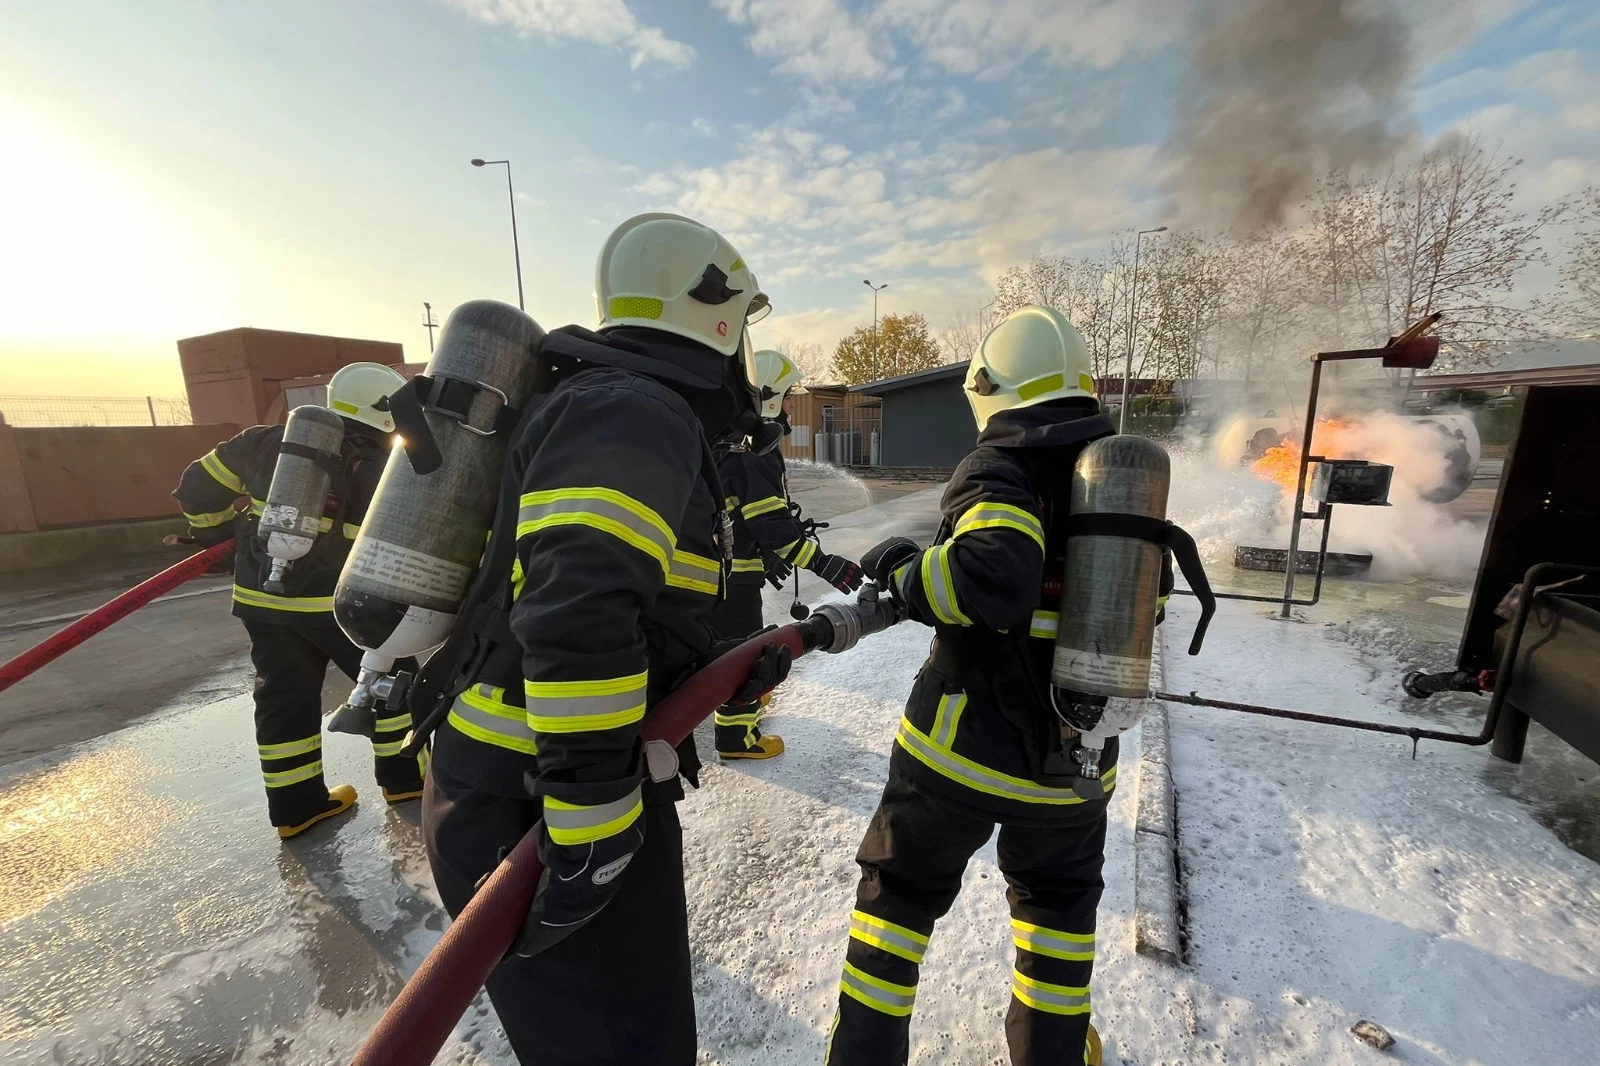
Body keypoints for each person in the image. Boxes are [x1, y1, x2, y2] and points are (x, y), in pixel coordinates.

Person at [422, 213, 789, 1065]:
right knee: (625, 1050)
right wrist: (589, 816)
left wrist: (711, 673)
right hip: (546, 796)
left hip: (548, 777)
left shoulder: (614, 404)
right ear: (718, 314)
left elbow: (630, 607)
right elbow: (578, 606)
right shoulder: (633, 411)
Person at [823, 306, 1173, 1066]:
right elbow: (1151, 604)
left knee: (897, 904)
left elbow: (993, 576)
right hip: (1078, 759)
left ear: (991, 390)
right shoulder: (1119, 481)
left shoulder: (1002, 466)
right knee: (1056, 914)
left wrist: (907, 574)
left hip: (957, 756)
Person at [173, 362, 425, 840]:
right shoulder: (388, 463)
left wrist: (214, 535)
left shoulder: (267, 441)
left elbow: (196, 486)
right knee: (395, 687)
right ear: (387, 412)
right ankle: (406, 784)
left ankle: (296, 807)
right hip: (349, 609)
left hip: (265, 601)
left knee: (283, 700)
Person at [712, 348, 862, 759]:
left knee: (731, 645)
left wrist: (773, 552)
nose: (793, 407)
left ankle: (743, 706)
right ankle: (736, 737)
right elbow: (771, 528)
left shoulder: (732, 447)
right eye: (789, 398)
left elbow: (753, 520)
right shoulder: (755, 457)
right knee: (743, 653)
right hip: (733, 578)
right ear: (770, 400)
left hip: (723, 573)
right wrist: (823, 563)